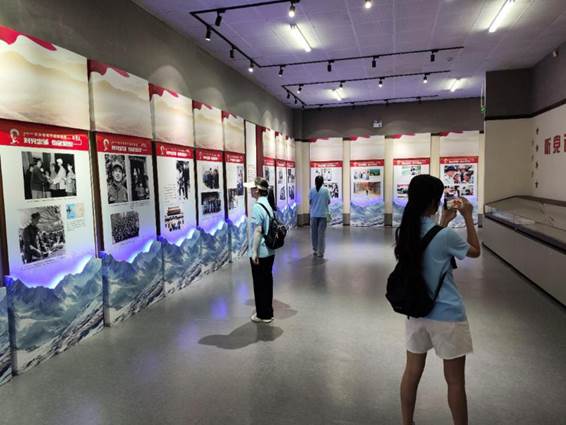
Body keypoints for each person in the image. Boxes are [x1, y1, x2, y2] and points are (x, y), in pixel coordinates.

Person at [395, 174, 480, 425]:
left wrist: (443, 221)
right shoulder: (445, 237)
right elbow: (475, 251)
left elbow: (431, 244)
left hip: (416, 311)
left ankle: (407, 422)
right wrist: (468, 217)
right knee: (454, 381)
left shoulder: (405, 232)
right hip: (447, 315)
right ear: (433, 202)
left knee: (411, 373)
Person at [244, 176, 276, 324]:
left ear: (257, 190)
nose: (250, 190)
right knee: (267, 282)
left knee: (259, 284)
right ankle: (268, 311)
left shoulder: (257, 207)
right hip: (270, 251)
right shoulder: (268, 203)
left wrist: (254, 252)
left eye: (252, 188)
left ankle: (263, 315)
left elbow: (258, 231)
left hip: (261, 252)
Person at [309, 175, 331, 258]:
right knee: (321, 234)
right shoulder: (326, 190)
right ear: (322, 182)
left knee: (314, 233)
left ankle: (315, 249)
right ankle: (320, 252)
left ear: (315, 182)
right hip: (323, 214)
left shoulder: (312, 190)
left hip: (314, 214)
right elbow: (328, 201)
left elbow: (310, 202)